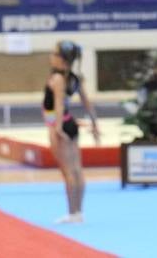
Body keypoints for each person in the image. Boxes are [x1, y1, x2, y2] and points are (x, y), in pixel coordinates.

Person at [42, 39, 100, 224]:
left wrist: (57, 128)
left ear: (62, 58)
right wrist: (95, 124)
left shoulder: (58, 78)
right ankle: (78, 212)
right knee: (76, 170)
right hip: (70, 123)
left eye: (54, 54)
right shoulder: (75, 78)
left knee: (68, 172)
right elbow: (87, 102)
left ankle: (72, 213)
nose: (51, 57)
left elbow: (58, 103)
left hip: (60, 126)